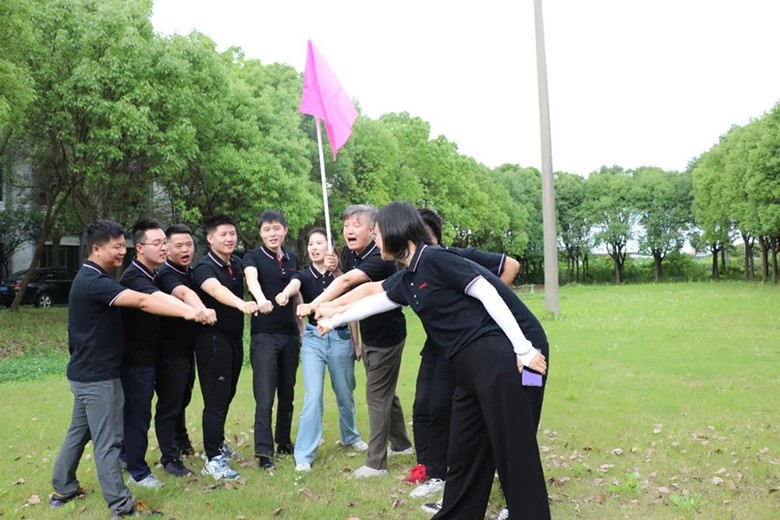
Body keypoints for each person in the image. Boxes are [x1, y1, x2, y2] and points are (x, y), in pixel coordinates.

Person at [316, 202, 551, 520]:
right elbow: (376, 302)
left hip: (503, 359)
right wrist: (333, 319)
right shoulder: (409, 276)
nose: (375, 239)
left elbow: (486, 292)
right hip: (467, 368)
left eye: (377, 232)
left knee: (514, 443)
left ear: (396, 231)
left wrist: (524, 350)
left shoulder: (436, 259)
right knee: (465, 448)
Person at [50, 219, 210, 518]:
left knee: (78, 434)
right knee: (108, 442)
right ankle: (121, 505)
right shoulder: (95, 281)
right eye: (116, 247)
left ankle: (64, 487)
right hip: (99, 378)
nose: (122, 251)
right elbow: (143, 302)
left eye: (123, 245)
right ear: (96, 249)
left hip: (84, 373)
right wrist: (190, 313)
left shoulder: (94, 276)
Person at [297, 204, 412, 479]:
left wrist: (315, 304)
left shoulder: (380, 257)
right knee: (385, 391)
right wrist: (336, 270)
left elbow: (349, 283)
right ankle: (401, 444)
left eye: (356, 225)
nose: (349, 230)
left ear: (372, 231)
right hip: (369, 333)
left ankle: (375, 464)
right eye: (346, 225)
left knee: (376, 396)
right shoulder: (351, 253)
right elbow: (346, 282)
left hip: (387, 337)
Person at [119, 219, 195, 489]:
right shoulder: (134, 277)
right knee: (140, 416)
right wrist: (191, 311)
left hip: (153, 356)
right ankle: (141, 470)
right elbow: (156, 300)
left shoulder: (154, 273)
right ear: (139, 248)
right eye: (157, 243)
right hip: (135, 360)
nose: (164, 248)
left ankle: (129, 456)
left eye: (165, 243)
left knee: (155, 409)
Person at [293, 227, 367, 472]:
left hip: (340, 337)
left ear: (330, 247)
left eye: (319, 243)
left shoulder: (342, 276)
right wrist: (303, 333)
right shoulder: (303, 276)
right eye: (311, 244)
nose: (314, 248)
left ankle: (350, 436)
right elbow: (296, 296)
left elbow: (352, 309)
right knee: (313, 397)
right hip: (314, 340)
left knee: (345, 393)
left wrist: (356, 343)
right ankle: (304, 456)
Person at [193, 214, 260, 481]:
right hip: (212, 340)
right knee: (216, 399)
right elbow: (215, 289)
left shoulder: (236, 263)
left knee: (228, 393)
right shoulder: (203, 267)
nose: (230, 239)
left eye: (232, 234)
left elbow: (252, 279)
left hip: (233, 338)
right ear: (210, 238)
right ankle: (212, 459)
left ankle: (218, 443)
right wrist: (241, 304)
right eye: (223, 234)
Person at [243, 210, 303, 472]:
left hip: (289, 335)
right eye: (267, 229)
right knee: (265, 395)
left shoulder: (292, 258)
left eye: (277, 228)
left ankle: (284, 442)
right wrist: (260, 299)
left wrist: (301, 330)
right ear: (260, 233)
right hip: (264, 336)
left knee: (287, 393)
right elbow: (251, 279)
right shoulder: (253, 256)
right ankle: (264, 452)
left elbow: (296, 287)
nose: (272, 234)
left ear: (285, 230)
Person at [155, 224, 212, 477]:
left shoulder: (190, 271)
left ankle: (181, 440)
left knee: (183, 397)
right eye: (178, 246)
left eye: (189, 245)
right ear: (166, 248)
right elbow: (182, 293)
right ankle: (170, 458)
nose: (185, 250)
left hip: (188, 349)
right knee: (170, 403)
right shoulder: (165, 274)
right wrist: (201, 310)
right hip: (168, 350)